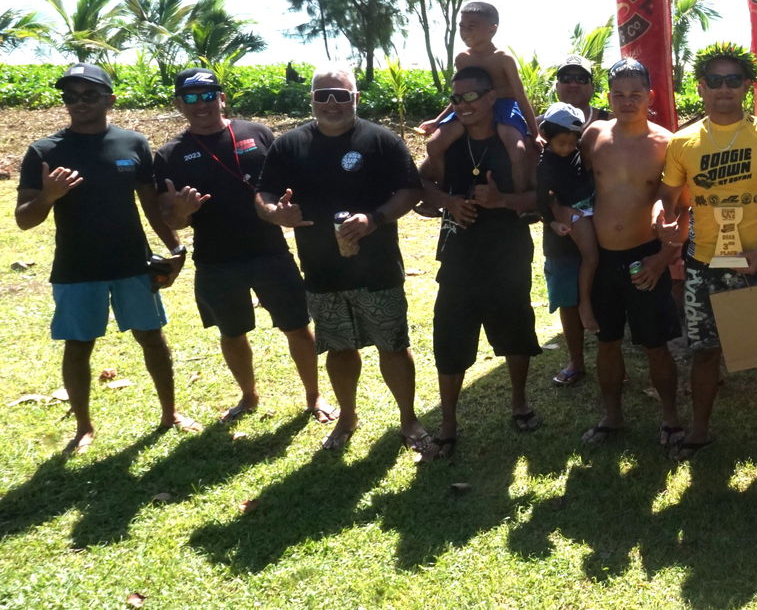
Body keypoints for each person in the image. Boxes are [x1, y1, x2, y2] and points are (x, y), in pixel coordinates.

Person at [15, 63, 195, 454]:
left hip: (132, 263)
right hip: (77, 268)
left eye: (89, 95)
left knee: (152, 337)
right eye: (71, 96)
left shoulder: (133, 144)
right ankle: (83, 427)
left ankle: (170, 414)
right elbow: (24, 220)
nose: (79, 103)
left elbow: (151, 207)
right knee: (79, 345)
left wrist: (177, 248)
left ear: (109, 99)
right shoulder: (45, 151)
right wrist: (48, 196)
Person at [254, 66, 430, 453]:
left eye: (341, 95)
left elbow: (410, 190)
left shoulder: (381, 141)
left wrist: (375, 218)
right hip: (322, 270)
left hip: (378, 268)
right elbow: (264, 193)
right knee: (338, 347)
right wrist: (274, 213)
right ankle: (348, 417)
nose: (332, 103)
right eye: (323, 95)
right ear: (312, 99)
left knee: (393, 346)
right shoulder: (289, 145)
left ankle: (409, 419)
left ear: (356, 98)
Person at [153, 67, 333, 424]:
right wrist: (183, 213)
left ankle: (314, 397)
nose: (201, 104)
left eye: (208, 95)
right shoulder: (170, 154)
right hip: (215, 259)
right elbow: (169, 219)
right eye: (190, 97)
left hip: (269, 250)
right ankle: (249, 395)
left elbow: (286, 184)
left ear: (223, 97)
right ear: (178, 103)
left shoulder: (257, 132)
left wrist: (285, 208)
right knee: (232, 333)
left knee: (297, 326)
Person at [660, 42, 757, 461]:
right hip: (704, 262)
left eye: (733, 80)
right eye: (714, 81)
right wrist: (662, 215)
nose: (723, 88)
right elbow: (668, 195)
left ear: (747, 85)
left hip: (753, 261)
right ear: (701, 87)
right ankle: (699, 430)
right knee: (705, 351)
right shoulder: (683, 141)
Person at [417, 66, 543, 457]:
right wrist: (449, 203)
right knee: (450, 335)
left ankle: (519, 402)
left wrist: (501, 200)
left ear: (492, 98)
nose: (464, 105)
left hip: (507, 252)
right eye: (456, 99)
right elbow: (420, 186)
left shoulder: (514, 145)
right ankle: (449, 421)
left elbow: (540, 202)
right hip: (458, 256)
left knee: (515, 327)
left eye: (472, 96)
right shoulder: (448, 145)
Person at [577, 58, 685, 447]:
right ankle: (612, 417)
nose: (627, 101)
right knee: (607, 342)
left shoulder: (667, 143)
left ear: (649, 96)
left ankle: (671, 418)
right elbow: (578, 187)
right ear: (609, 97)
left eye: (635, 94)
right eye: (619, 94)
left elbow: (682, 208)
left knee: (655, 344)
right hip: (603, 258)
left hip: (646, 257)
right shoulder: (593, 137)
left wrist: (663, 259)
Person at [544, 55, 613, 386]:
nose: (573, 82)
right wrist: (555, 211)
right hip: (563, 229)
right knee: (568, 300)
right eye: (566, 77)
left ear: (591, 86)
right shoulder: (545, 126)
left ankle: (609, 358)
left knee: (607, 291)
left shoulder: (608, 121)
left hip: (609, 225)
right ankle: (575, 361)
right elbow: (538, 180)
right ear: (557, 85)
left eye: (581, 78)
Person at [416, 2, 537, 163]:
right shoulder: (463, 59)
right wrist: (437, 121)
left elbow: (520, 95)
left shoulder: (503, 59)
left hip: (504, 107)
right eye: (462, 26)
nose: (465, 31)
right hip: (469, 105)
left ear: (492, 29)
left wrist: (536, 134)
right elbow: (460, 96)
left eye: (471, 26)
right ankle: (443, 185)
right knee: (434, 144)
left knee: (517, 149)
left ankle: (519, 188)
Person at [536, 103, 599, 333]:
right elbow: (542, 199)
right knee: (590, 257)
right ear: (546, 136)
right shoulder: (546, 165)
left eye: (573, 143)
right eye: (562, 143)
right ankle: (584, 304)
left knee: (596, 256)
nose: (568, 148)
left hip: (589, 205)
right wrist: (553, 221)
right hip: (574, 212)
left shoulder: (575, 150)